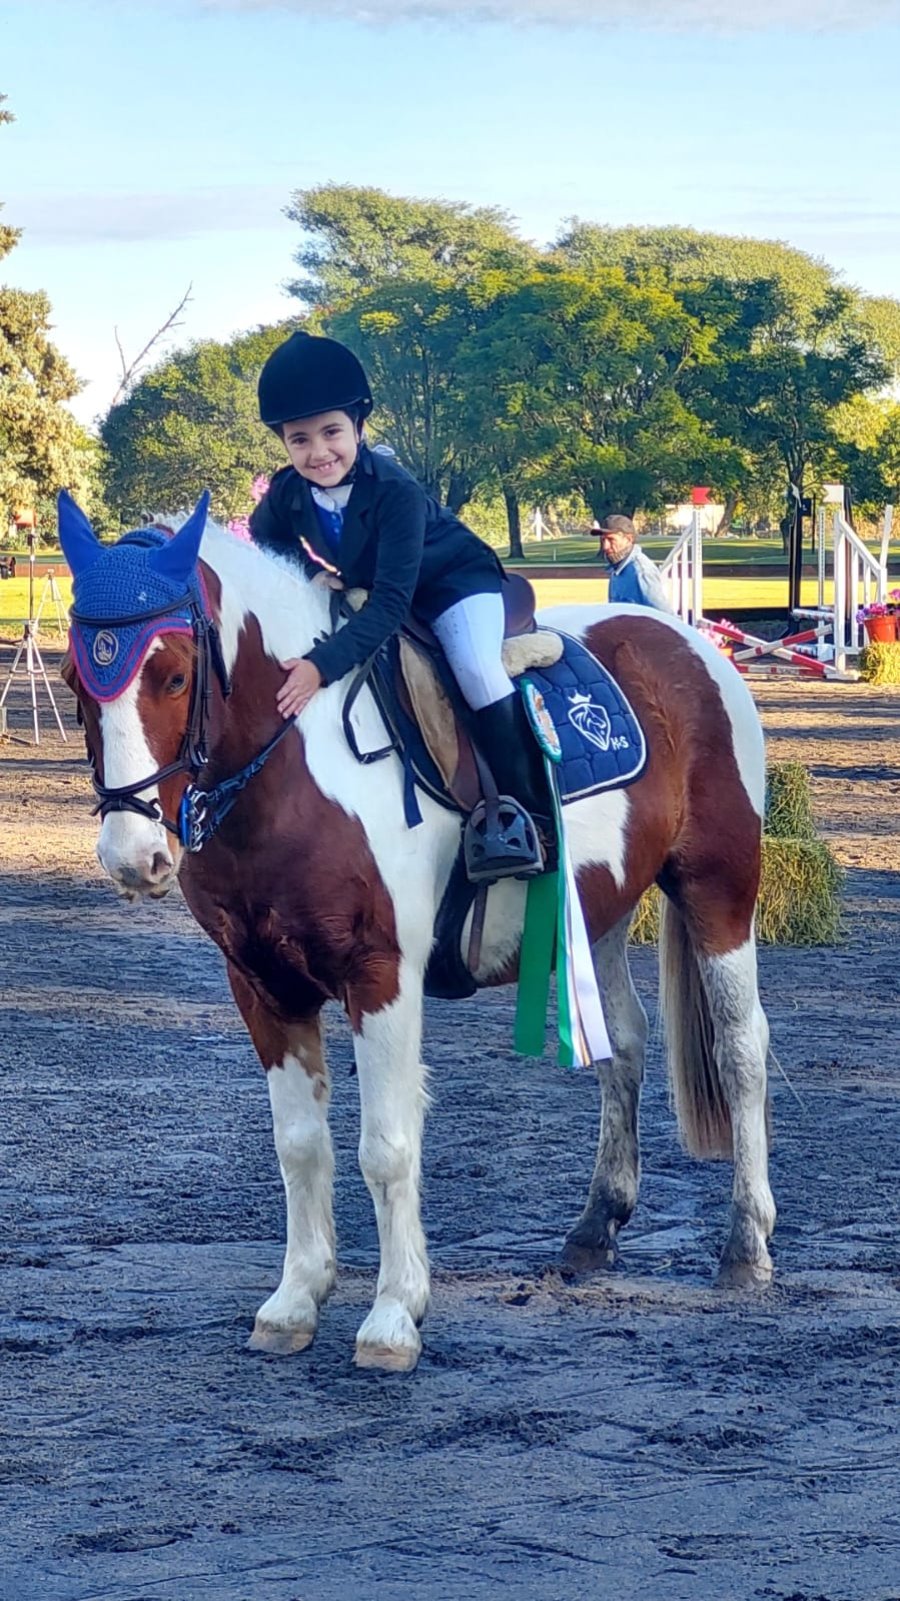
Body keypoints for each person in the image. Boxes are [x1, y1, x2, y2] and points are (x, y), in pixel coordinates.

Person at [250, 330, 549, 880]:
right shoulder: (290, 491)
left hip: (454, 583)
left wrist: (320, 667)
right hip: (384, 584)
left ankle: (524, 817)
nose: (318, 453)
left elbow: (389, 606)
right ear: (285, 444)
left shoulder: (396, 491)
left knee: (477, 672)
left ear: (359, 427)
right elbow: (264, 536)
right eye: (300, 440)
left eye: (332, 432)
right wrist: (315, 571)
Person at [597, 514, 673, 612]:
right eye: (603, 540)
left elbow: (664, 616)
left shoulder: (641, 572)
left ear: (629, 539)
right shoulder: (617, 567)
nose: (605, 546)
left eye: (611, 540)